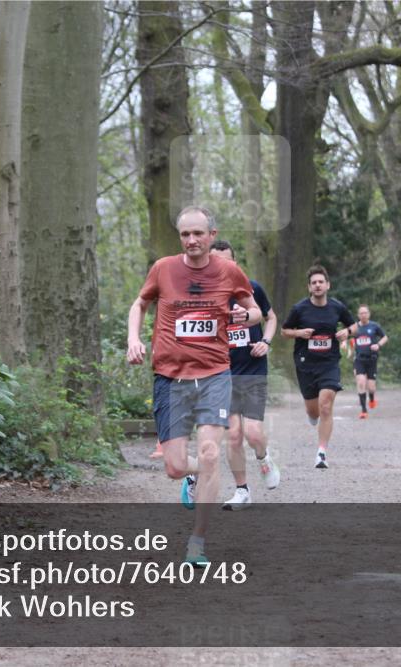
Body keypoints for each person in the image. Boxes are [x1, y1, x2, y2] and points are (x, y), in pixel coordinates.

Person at [126, 206, 262, 565]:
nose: (191, 240)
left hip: (215, 373)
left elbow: (255, 311)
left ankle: (197, 542)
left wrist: (243, 316)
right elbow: (140, 303)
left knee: (210, 453)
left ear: (212, 236)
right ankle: (199, 477)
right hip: (170, 377)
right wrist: (133, 339)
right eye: (185, 234)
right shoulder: (164, 268)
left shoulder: (229, 271)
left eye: (198, 233)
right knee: (174, 466)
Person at [209, 240, 280, 510]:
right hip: (222, 373)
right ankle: (242, 491)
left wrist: (267, 342)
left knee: (252, 433)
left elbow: (270, 318)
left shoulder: (251, 289)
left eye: (228, 261)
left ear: (235, 263)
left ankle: (263, 458)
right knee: (234, 435)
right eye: (217, 261)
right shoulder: (206, 295)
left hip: (252, 369)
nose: (223, 266)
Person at [281, 265, 356, 469]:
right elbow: (284, 331)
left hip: (329, 363)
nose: (317, 285)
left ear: (328, 285)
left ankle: (321, 452)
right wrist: (299, 333)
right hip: (306, 364)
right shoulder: (300, 309)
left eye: (320, 282)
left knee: (325, 405)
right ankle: (312, 415)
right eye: (313, 282)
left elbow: (354, 325)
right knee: (313, 411)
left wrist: (347, 332)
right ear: (309, 287)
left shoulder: (337, 307)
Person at [352, 304, 388, 419]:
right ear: (358, 315)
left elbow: (385, 337)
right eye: (361, 313)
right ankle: (364, 410)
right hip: (359, 359)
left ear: (369, 314)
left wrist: (378, 345)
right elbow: (348, 338)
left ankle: (372, 398)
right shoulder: (354, 327)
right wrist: (345, 342)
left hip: (372, 359)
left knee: (371, 387)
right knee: (361, 382)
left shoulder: (374, 326)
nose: (363, 315)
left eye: (365, 313)